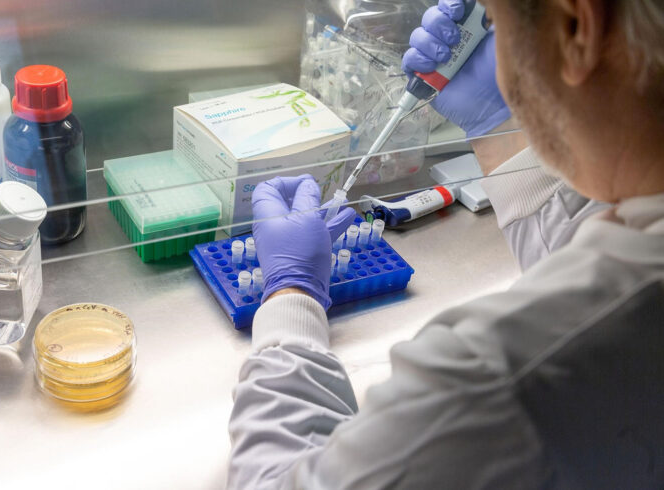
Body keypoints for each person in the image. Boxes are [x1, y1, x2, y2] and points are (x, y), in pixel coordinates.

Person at [228, 0, 664, 487]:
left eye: (495, 21)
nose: (493, 42)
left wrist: (290, 300)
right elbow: (601, 284)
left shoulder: (491, 381)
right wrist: (502, 123)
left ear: (578, 26)